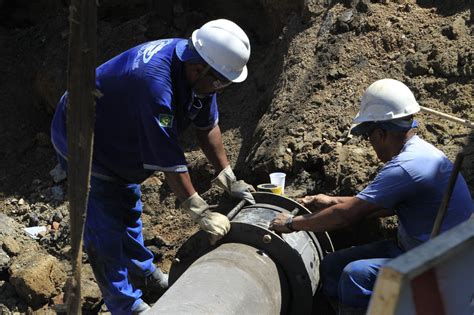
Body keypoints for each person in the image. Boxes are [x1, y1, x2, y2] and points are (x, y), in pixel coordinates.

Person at [51, 19, 255, 314]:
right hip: (84, 139)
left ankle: (143, 274)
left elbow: (207, 127)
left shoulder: (194, 68)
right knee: (105, 228)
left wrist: (227, 174)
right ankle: (125, 304)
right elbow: (170, 162)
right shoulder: (155, 85)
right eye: (220, 82)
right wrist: (200, 210)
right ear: (200, 69)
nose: (221, 89)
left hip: (119, 134)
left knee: (128, 209)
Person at [269, 78, 473, 315]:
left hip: (443, 267)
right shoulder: (418, 154)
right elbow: (375, 206)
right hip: (415, 248)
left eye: (369, 137)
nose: (370, 144)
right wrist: (330, 200)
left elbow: (347, 216)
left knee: (355, 276)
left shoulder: (405, 166)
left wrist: (293, 224)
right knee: (332, 266)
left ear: (380, 133)